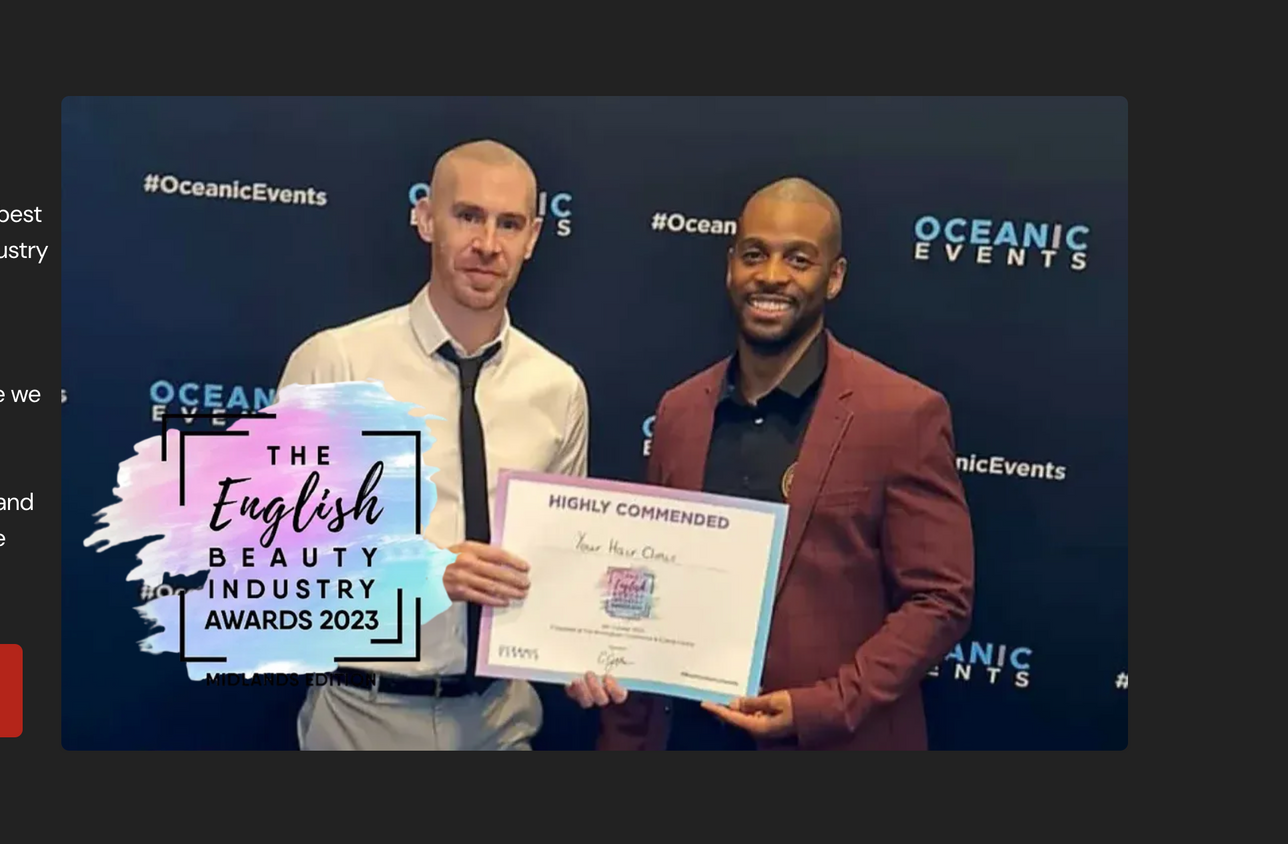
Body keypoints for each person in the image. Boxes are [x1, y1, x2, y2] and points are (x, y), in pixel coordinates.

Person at [567, 177, 974, 750]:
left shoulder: (902, 413)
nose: (772, 276)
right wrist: (601, 652)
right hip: (687, 740)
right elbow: (651, 583)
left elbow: (940, 600)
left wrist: (824, 705)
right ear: (730, 265)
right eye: (755, 254)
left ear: (834, 277)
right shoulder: (680, 411)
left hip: (832, 743)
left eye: (798, 259)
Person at [277, 139, 589, 750]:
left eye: (509, 224)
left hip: (501, 722)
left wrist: (589, 650)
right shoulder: (336, 363)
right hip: (361, 718)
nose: (488, 244)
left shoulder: (560, 390)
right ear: (424, 218)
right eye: (468, 216)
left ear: (533, 238)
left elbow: (564, 565)